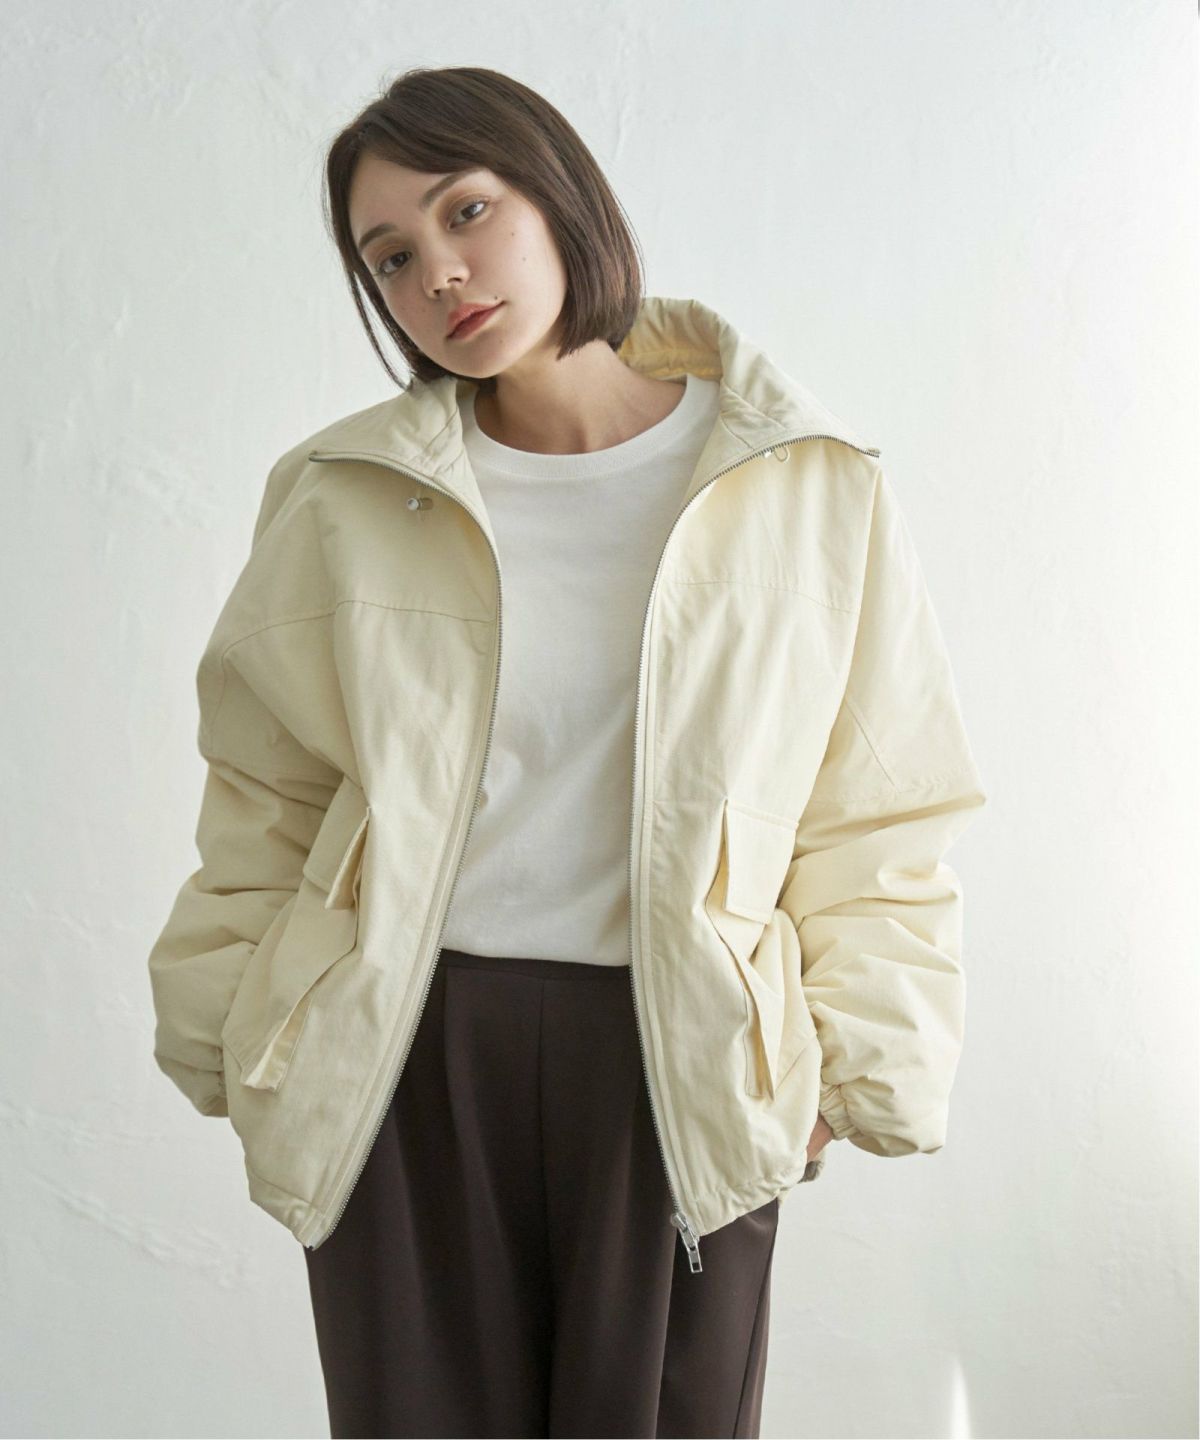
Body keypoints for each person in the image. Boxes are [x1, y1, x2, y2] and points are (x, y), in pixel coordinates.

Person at [146, 65, 987, 1440]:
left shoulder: (801, 481)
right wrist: (232, 1028)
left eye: (468, 210)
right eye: (391, 256)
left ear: (561, 196)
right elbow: (266, 790)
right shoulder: (342, 496)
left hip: (679, 1054)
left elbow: (876, 806)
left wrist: (846, 1076)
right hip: (406, 1049)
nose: (439, 273)